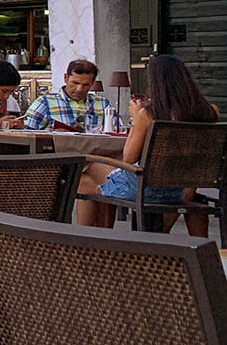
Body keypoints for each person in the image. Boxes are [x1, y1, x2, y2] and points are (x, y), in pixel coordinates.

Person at [75, 54, 219, 235]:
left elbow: (128, 158)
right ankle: (101, 238)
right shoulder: (210, 112)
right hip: (181, 190)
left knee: (89, 168)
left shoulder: (149, 114)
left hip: (147, 189)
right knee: (88, 181)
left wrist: (136, 117)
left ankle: (88, 242)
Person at [22, 59, 115, 132]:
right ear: (66, 78)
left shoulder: (102, 104)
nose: (79, 89)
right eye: (75, 83)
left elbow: (117, 131)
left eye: (85, 85)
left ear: (92, 83)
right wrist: (51, 133)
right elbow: (27, 132)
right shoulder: (45, 102)